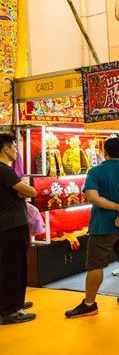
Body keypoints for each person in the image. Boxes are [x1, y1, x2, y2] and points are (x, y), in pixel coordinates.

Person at [65, 137, 119, 318]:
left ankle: (89, 304)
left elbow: (92, 197)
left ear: (104, 151)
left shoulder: (95, 172)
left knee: (96, 265)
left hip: (102, 225)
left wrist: (115, 207)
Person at [0, 133, 37, 325]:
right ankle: (11, 309)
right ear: (5, 148)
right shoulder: (4, 170)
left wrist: (21, 192)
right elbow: (31, 191)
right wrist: (24, 191)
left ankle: (13, 302)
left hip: (9, 222)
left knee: (10, 265)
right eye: (14, 146)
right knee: (13, 266)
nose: (16, 151)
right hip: (12, 223)